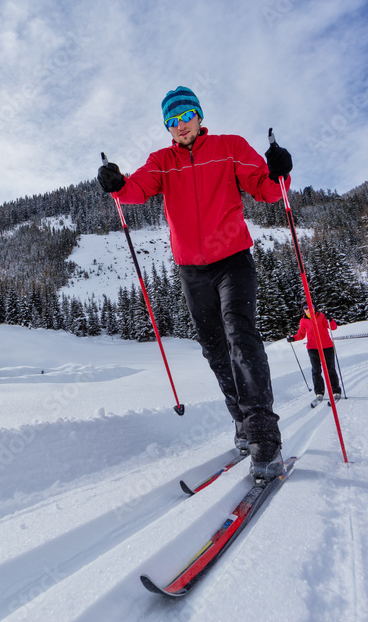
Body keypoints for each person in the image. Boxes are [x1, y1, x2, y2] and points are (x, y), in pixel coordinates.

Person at [97, 86, 293, 480]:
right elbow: (135, 190)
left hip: (233, 260)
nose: (180, 125)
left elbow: (266, 190)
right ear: (167, 128)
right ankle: (240, 420)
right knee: (214, 349)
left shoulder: (230, 146)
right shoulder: (162, 161)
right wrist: (116, 182)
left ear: (199, 116)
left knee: (241, 336)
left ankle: (264, 437)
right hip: (191, 269)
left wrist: (278, 171)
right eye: (172, 121)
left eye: (186, 116)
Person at [288, 308, 340, 403]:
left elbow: (333, 327)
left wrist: (330, 319)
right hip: (313, 348)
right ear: (303, 310)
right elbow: (301, 334)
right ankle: (319, 392)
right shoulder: (303, 320)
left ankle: (336, 391)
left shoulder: (322, 316)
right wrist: (293, 338)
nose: (308, 310)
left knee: (330, 368)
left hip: (327, 346)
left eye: (310, 307)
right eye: (305, 308)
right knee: (316, 370)